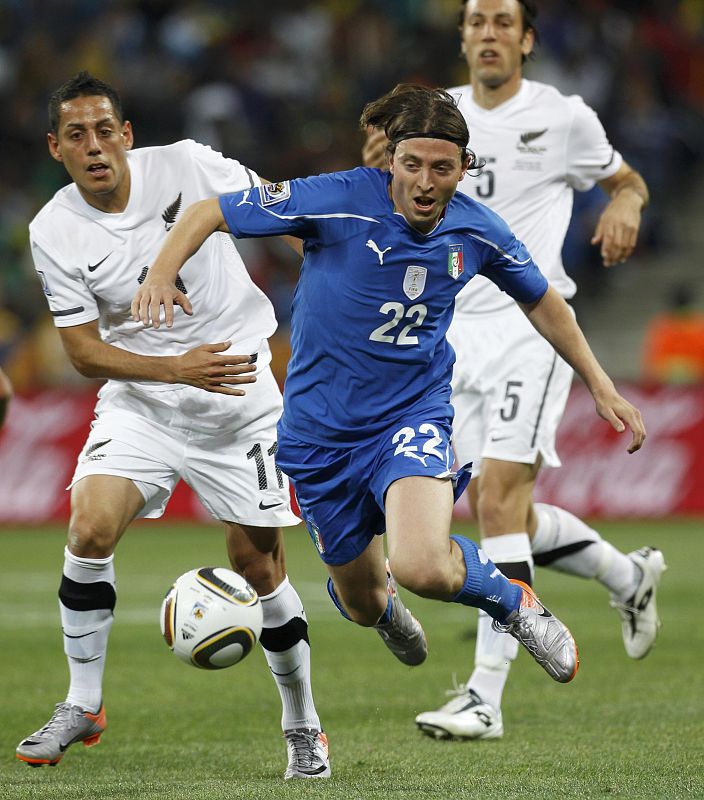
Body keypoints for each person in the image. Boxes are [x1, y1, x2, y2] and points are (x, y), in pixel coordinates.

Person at [132, 85, 648, 726]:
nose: (426, 182)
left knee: (423, 566)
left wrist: (600, 384)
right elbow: (207, 211)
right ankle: (382, 609)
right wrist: (161, 273)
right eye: (413, 165)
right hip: (318, 436)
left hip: (411, 415)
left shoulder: (477, 228)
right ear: (390, 161)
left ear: (464, 168)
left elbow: (543, 301)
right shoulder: (336, 199)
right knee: (362, 601)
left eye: (442, 168)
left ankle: (513, 602)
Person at [362, 0, 665, 742]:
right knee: (510, 518)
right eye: (476, 22)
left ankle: (485, 698)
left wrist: (626, 204)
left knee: (497, 498)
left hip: (532, 328)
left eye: (503, 21)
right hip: (448, 337)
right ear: (463, 37)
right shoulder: (436, 119)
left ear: (526, 39)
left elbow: (628, 181)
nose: (488, 33)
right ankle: (628, 577)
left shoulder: (563, 117)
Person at [16, 72, 330, 781]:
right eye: (76, 135)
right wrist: (174, 370)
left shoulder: (190, 165)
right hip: (145, 401)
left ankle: (302, 723)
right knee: (88, 528)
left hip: (238, 394)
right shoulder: (52, 230)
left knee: (260, 567)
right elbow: (82, 352)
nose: (94, 146)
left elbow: (288, 216)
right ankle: (83, 702)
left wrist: (330, 283)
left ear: (126, 135)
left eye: (105, 130)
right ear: (56, 148)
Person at [642, 284, 704, 384]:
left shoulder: (698, 326)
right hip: (668, 380)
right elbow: (655, 360)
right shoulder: (664, 327)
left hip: (696, 380)